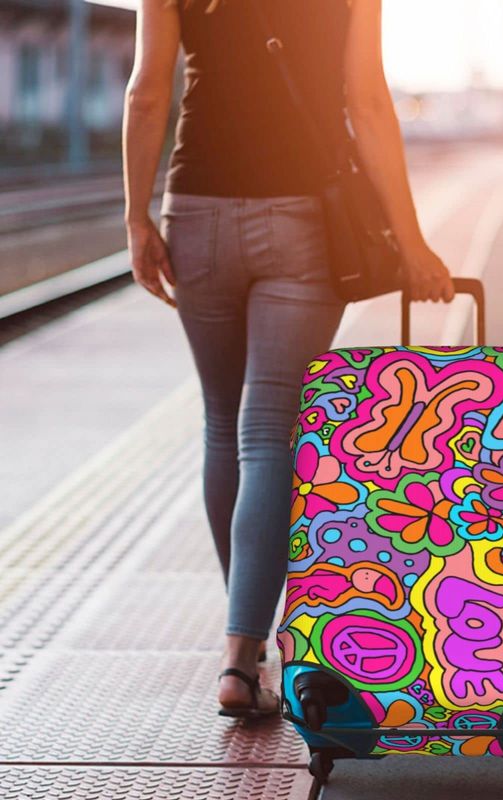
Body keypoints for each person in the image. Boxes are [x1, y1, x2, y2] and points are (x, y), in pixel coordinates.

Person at [122, 0, 455, 717]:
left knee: (223, 424)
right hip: (303, 220)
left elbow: (148, 91)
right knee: (270, 431)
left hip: (196, 213)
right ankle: (244, 648)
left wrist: (135, 218)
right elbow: (368, 102)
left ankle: (242, 654)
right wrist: (412, 242)